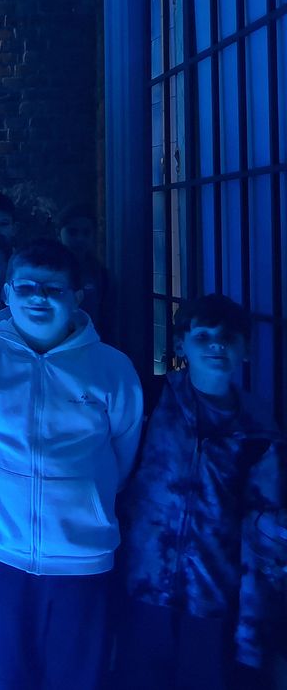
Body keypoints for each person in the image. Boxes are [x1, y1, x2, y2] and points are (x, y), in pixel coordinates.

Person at [0, 239, 144, 690]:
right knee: (8, 675)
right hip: (1, 548)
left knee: (76, 678)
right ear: (7, 293)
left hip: (82, 556)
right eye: (27, 287)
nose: (39, 297)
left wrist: (86, 496)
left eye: (54, 289)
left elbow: (122, 453)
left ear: (77, 297)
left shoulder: (112, 369)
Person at [117, 294, 287, 689]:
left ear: (246, 350)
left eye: (228, 338)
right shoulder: (151, 400)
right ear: (182, 345)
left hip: (213, 597)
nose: (217, 345)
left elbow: (262, 534)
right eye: (204, 336)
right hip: (140, 584)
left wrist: (252, 631)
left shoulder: (259, 430)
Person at [57, 203, 109, 336]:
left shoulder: (100, 274)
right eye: (72, 232)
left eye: (86, 233)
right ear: (59, 233)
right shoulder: (48, 272)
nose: (80, 239)